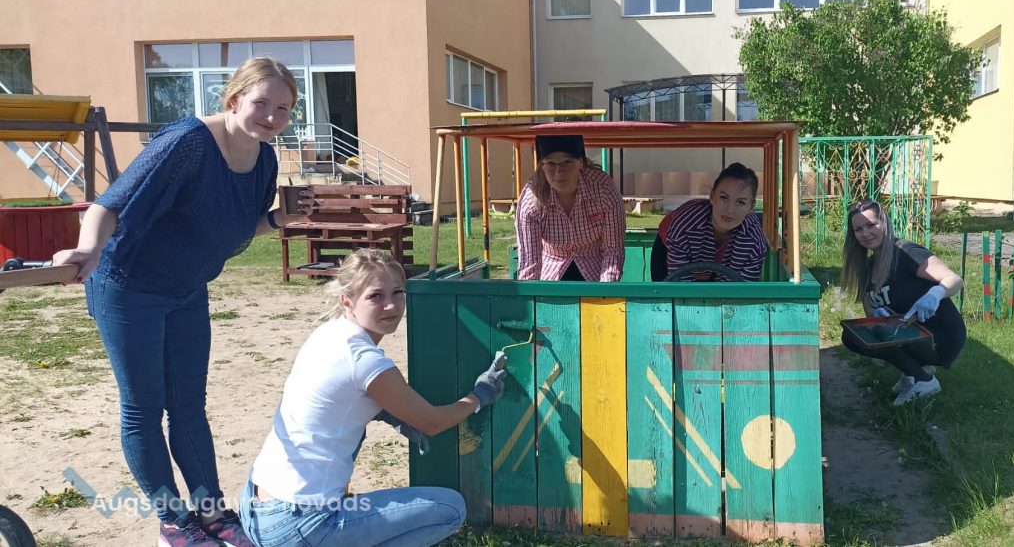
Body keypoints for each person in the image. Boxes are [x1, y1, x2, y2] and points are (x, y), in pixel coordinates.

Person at [50, 57, 303, 547]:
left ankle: (211, 513)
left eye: (283, 109)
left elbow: (233, 224)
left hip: (187, 289)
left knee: (188, 406)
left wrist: (278, 220)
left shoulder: (264, 159)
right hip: (129, 284)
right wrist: (87, 249)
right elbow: (110, 203)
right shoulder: (188, 142)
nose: (272, 117)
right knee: (143, 409)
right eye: (261, 103)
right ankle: (173, 521)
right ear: (234, 100)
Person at [240, 248, 507, 547]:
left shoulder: (328, 334)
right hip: (299, 522)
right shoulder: (364, 360)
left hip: (255, 506)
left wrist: (387, 412)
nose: (391, 305)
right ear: (347, 301)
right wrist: (480, 395)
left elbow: (335, 400)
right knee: (451, 509)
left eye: (398, 292)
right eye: (375, 296)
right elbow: (432, 422)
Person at [839, 199, 967, 406]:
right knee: (853, 336)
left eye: (871, 225)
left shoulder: (906, 252)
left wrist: (935, 294)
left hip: (940, 335)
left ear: (884, 223)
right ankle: (913, 371)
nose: (865, 233)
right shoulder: (867, 267)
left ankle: (925, 381)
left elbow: (955, 280)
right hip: (910, 331)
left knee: (870, 336)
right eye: (858, 229)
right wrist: (878, 315)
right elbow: (870, 314)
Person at [515, 134, 625, 281]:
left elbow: (613, 251)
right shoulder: (531, 201)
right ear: (542, 166)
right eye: (551, 163)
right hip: (551, 272)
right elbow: (529, 262)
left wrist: (604, 290)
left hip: (596, 271)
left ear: (580, 163)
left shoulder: (604, 191)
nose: (559, 172)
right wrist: (533, 294)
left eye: (567, 162)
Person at [652, 162, 769, 282]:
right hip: (669, 245)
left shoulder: (755, 241)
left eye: (741, 202)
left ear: (751, 207)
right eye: (724, 198)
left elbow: (741, 289)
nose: (730, 210)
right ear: (712, 196)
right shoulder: (684, 226)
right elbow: (680, 286)